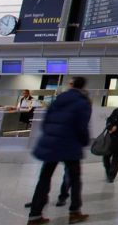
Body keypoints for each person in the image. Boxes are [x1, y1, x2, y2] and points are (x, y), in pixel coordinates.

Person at [27, 77, 91, 225]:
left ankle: (35, 215)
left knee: (44, 178)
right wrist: (84, 141)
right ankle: (75, 212)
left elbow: (46, 120)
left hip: (51, 144)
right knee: (75, 178)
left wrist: (49, 135)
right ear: (83, 87)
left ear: (71, 85)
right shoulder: (82, 102)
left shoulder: (59, 98)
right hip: (70, 145)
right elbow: (82, 126)